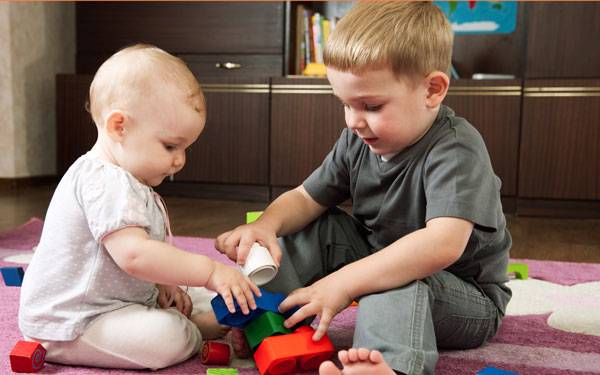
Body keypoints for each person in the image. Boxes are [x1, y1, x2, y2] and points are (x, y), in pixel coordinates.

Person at [216, 2, 512, 374]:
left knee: (398, 279)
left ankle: (388, 365)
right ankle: (267, 319)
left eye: (370, 105)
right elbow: (306, 197)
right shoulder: (356, 139)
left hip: (465, 298)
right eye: (345, 104)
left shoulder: (456, 148)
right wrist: (266, 226)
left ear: (432, 90)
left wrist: (343, 283)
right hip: (378, 256)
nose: (354, 121)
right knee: (310, 227)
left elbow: (441, 244)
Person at [19, 44, 260, 370]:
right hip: (71, 322)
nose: (180, 160)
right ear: (120, 126)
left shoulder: (127, 180)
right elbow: (134, 255)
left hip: (109, 303)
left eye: (185, 148)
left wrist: (164, 281)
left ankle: (206, 315)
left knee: (196, 292)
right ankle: (196, 330)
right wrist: (211, 270)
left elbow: (135, 255)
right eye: (170, 145)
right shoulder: (106, 182)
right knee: (167, 334)